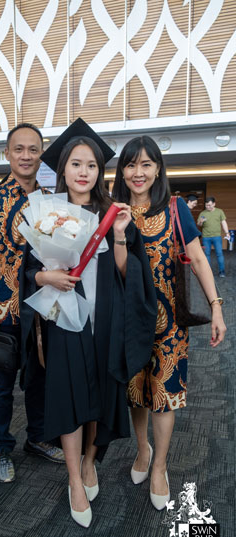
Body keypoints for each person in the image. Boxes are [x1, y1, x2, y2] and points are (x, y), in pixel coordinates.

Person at [21, 119, 157, 527]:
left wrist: (118, 234)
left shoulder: (112, 211)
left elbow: (126, 271)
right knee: (68, 396)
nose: (84, 172)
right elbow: (30, 269)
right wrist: (48, 277)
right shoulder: (46, 211)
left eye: (92, 165)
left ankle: (91, 460)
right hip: (65, 318)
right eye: (76, 164)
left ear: (100, 171)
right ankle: (75, 478)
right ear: (62, 169)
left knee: (98, 395)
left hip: (105, 320)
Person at [112, 135, 226, 511]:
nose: (138, 172)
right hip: (129, 319)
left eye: (146, 164)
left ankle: (159, 465)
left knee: (163, 394)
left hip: (170, 322)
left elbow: (198, 259)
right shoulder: (113, 211)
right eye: (131, 165)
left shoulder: (175, 209)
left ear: (158, 168)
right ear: (122, 170)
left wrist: (216, 306)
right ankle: (142, 448)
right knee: (136, 391)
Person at [0, 123, 65, 484]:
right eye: (19, 149)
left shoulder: (49, 200)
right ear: (7, 154)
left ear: (40, 153)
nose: (26, 156)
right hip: (3, 309)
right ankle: (2, 447)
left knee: (41, 377)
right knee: (2, 382)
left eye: (33, 149)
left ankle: (38, 438)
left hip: (42, 305)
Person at [197, 196, 230, 277]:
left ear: (214, 204)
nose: (208, 207)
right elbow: (199, 224)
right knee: (207, 254)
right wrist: (201, 221)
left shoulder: (219, 212)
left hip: (216, 237)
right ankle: (208, 272)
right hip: (206, 237)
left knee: (219, 254)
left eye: (210, 205)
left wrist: (227, 232)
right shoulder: (203, 213)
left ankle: (222, 271)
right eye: (206, 205)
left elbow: (223, 222)